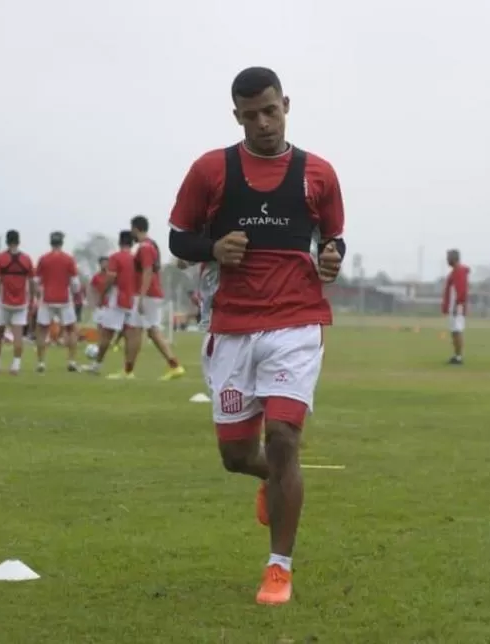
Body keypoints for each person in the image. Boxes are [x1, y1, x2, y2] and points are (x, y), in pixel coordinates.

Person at [168, 66, 345, 605]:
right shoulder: (211, 170)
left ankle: (278, 568)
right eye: (250, 116)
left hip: (297, 320)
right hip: (231, 326)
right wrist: (213, 249)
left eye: (270, 111)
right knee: (237, 455)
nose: (263, 124)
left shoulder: (318, 172)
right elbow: (179, 238)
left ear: (285, 104)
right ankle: (272, 483)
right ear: (236, 116)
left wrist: (334, 258)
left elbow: (332, 238)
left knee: (285, 439)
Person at [127, 215, 184, 380]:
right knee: (147, 331)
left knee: (142, 331)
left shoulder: (145, 247)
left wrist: (142, 296)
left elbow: (147, 271)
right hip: (150, 294)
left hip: (147, 295)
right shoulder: (151, 245)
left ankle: (129, 371)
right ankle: (129, 370)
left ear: (136, 228)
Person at [90, 231, 137, 374]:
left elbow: (110, 278)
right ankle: (128, 370)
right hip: (133, 298)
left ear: (119, 242)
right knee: (130, 335)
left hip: (118, 298)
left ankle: (97, 365)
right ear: (132, 243)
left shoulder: (116, 258)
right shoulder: (136, 259)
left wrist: (102, 294)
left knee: (106, 334)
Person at [0, 229, 34, 375]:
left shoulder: (0, 258)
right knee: (18, 336)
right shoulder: (27, 259)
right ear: (19, 241)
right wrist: (32, 301)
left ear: (7, 241)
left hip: (4, 303)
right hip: (21, 303)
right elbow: (32, 282)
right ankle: (15, 366)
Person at [34, 231, 81, 372]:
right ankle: (71, 361)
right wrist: (75, 293)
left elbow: (36, 281)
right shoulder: (68, 259)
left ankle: (41, 362)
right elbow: (75, 283)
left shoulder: (43, 259)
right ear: (62, 242)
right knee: (71, 329)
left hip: (47, 298)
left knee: (42, 330)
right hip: (64, 299)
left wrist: (38, 295)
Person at [441, 249, 470, 365]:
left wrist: (458, 304)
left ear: (454, 258)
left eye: (448, 257)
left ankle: (459, 357)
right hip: (454, 306)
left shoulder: (459, 271)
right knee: (454, 331)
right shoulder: (454, 272)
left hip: (457, 307)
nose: (446, 260)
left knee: (457, 330)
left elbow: (461, 290)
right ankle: (456, 355)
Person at [89, 256, 110, 331]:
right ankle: (100, 339)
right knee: (99, 323)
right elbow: (92, 289)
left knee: (108, 324)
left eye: (106, 263)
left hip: (109, 303)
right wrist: (93, 301)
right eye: (103, 263)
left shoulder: (111, 276)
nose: (105, 265)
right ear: (100, 264)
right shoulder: (96, 276)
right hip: (99, 304)